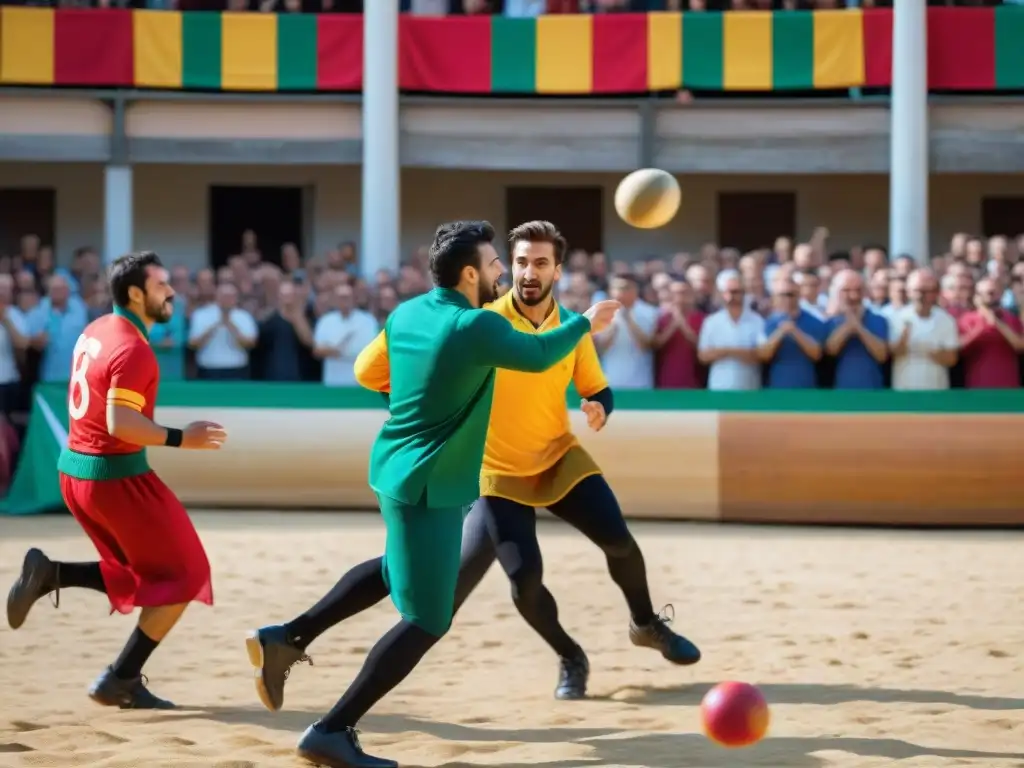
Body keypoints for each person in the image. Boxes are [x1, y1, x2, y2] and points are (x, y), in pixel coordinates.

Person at [246, 221, 620, 768]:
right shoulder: (472, 326)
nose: (503, 274)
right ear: (470, 274)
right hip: (432, 484)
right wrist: (586, 321)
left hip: (394, 468)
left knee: (397, 569)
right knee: (429, 619)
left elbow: (365, 371)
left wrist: (422, 404)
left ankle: (288, 636)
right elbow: (542, 357)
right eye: (496, 265)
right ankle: (333, 729)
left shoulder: (408, 312)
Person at [5, 251, 227, 709]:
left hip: (79, 473)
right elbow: (120, 423)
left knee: (144, 572)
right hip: (115, 479)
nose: (171, 292)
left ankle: (53, 575)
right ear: (135, 293)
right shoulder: (134, 348)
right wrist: (181, 439)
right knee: (186, 576)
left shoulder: (96, 329)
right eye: (162, 284)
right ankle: (120, 678)